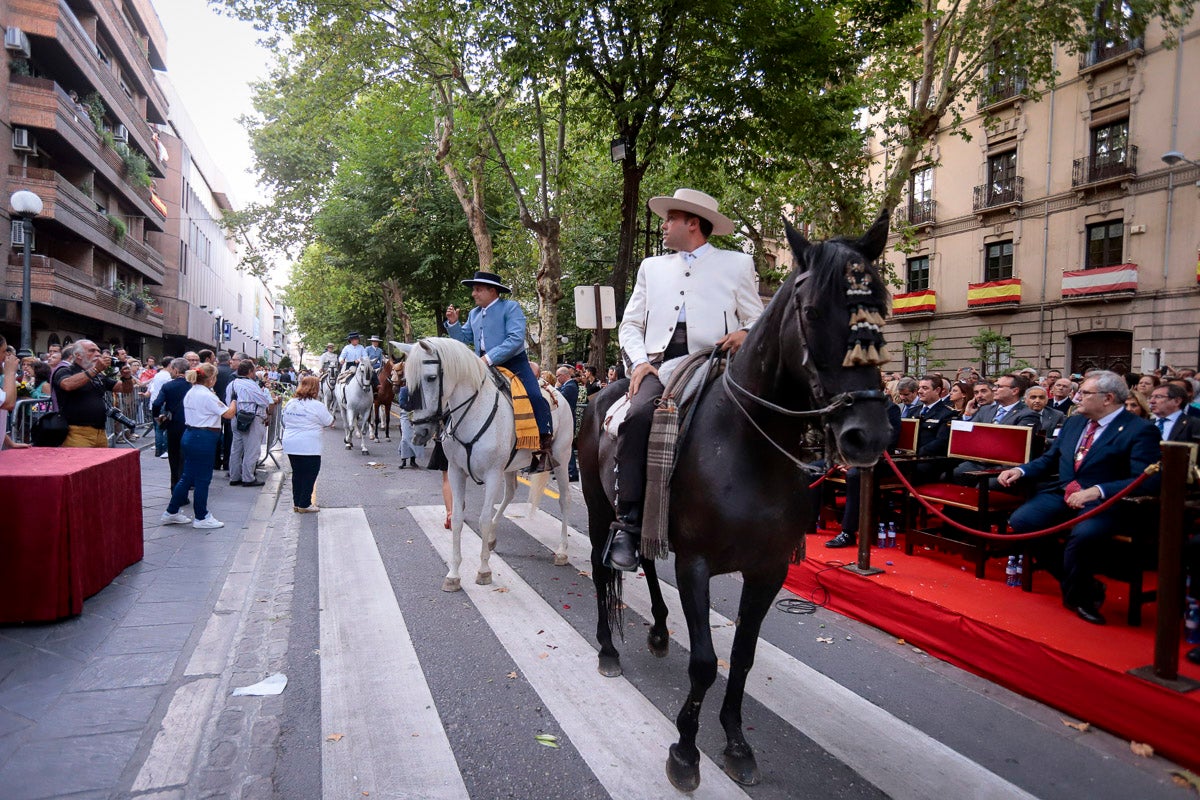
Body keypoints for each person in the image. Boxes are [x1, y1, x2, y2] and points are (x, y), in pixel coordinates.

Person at [607, 188, 764, 570]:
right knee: (639, 417)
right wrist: (641, 361)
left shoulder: (737, 264)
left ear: (692, 224)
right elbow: (630, 324)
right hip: (661, 367)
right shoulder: (651, 267)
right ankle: (628, 522)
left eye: (669, 220)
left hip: (715, 366)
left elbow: (758, 317)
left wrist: (746, 333)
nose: (663, 226)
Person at [998, 371, 1160, 625]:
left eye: (1084, 393)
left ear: (1107, 398)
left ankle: (1081, 598)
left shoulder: (1139, 429)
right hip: (1065, 491)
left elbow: (1147, 478)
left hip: (1106, 501)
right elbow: (1050, 459)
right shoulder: (1075, 422)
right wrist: (1020, 470)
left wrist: (1099, 490)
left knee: (1083, 536)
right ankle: (1083, 585)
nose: (1076, 397)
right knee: (1023, 521)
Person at [445, 271, 554, 463]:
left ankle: (544, 445)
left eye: (478, 290)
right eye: (474, 290)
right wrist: (454, 324)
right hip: (483, 365)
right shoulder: (474, 314)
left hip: (514, 364)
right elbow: (464, 339)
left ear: (492, 291)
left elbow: (515, 339)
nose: (473, 294)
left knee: (535, 395)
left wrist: (488, 358)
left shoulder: (510, 308)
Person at [160, 363, 238, 529]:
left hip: (191, 434)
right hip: (203, 437)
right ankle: (201, 516)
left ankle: (171, 511)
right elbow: (229, 414)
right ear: (210, 379)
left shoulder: (192, 391)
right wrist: (234, 401)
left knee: (187, 476)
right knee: (203, 478)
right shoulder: (206, 395)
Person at [281, 375, 335, 512]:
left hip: (291, 443)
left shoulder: (291, 403)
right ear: (316, 388)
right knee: (310, 474)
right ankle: (304, 504)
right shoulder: (317, 405)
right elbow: (329, 422)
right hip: (309, 445)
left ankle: (297, 502)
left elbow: (284, 420)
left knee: (297, 473)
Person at [52, 339, 119, 447]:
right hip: (76, 433)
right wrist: (96, 369)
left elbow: (123, 388)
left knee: (102, 463)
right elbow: (67, 385)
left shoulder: (97, 375)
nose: (97, 354)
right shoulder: (65, 370)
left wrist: (127, 377)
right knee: (80, 463)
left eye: (98, 351)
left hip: (100, 432)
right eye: (92, 351)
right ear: (78, 355)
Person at [227, 360, 276, 487]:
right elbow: (263, 401)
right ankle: (248, 478)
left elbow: (229, 401)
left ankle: (234, 476)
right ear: (249, 371)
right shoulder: (251, 385)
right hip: (252, 419)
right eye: (254, 371)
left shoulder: (232, 384)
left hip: (236, 418)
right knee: (251, 450)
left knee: (236, 449)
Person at [152, 358, 191, 499]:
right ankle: (185, 489)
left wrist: (157, 417)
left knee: (174, 458)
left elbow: (157, 403)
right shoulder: (193, 385)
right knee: (187, 458)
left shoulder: (168, 386)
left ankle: (176, 489)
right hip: (191, 425)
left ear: (175, 370)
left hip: (174, 425)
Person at [214, 351, 237, 473]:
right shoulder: (233, 373)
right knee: (230, 436)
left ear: (217, 359)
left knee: (216, 434)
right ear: (229, 360)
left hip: (215, 407)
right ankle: (227, 462)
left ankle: (216, 462)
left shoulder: (214, 372)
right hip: (229, 407)